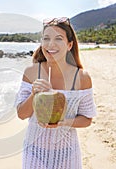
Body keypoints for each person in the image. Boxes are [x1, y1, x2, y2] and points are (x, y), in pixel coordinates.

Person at [15, 17, 97, 169]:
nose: (50, 44)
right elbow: (21, 114)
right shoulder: (31, 72)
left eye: (58, 39)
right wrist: (34, 94)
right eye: (46, 38)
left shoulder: (82, 78)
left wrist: (63, 123)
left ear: (69, 45)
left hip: (68, 153)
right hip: (34, 152)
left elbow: (87, 119)